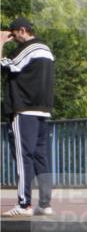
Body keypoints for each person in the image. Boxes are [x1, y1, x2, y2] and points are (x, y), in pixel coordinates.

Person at [1, 18, 55, 217]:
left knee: (24, 157)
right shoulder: (46, 50)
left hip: (24, 110)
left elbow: (4, 66)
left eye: (14, 35)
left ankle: (24, 204)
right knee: (41, 157)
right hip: (43, 110)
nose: (13, 39)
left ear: (22, 31)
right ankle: (45, 204)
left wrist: (0, 43)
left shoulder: (27, 48)